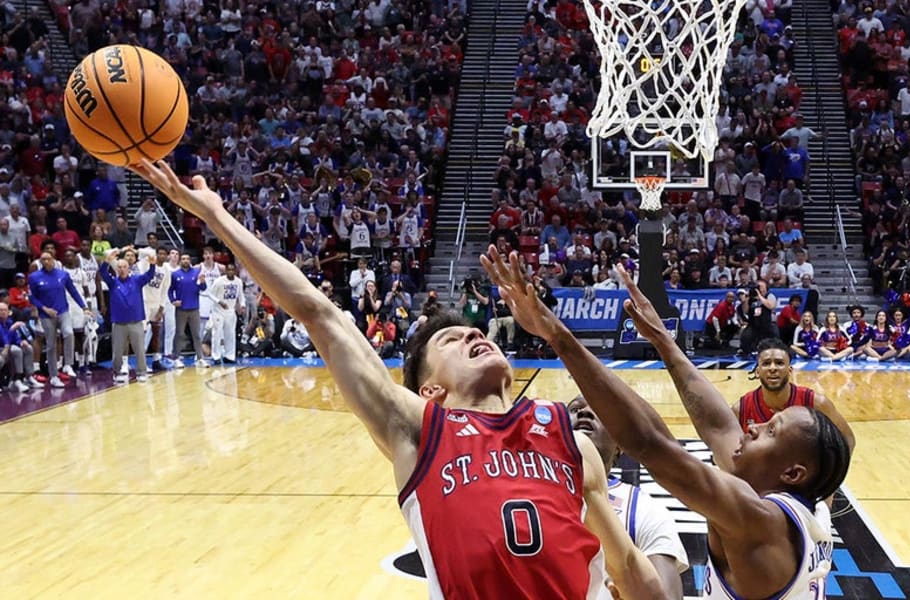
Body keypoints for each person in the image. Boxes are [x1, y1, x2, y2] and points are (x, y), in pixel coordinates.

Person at [129, 160, 664, 600]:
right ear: (429, 390)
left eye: (473, 334)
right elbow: (321, 315)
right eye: (450, 342)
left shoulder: (565, 434)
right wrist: (218, 217)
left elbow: (628, 565)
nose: (472, 338)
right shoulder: (420, 430)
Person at [483, 250, 854, 600]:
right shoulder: (801, 503)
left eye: (770, 431)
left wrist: (556, 334)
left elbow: (650, 443)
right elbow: (717, 425)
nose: (753, 427)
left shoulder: (760, 522)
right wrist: (663, 341)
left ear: (791, 472)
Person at [569, 395, 689, 598]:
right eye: (574, 409)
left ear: (620, 445)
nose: (585, 412)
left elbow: (667, 596)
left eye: (599, 410)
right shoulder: (526, 492)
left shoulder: (644, 508)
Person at [28, 250, 89, 387]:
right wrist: (44, 309)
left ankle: (68, 364)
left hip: (63, 311)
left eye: (48, 259)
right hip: (46, 315)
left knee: (68, 333)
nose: (46, 262)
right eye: (43, 260)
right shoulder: (34, 277)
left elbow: (73, 291)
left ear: (54, 260)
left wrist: (83, 306)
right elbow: (32, 297)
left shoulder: (63, 275)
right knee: (51, 345)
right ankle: (54, 376)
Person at [736, 338, 818, 432]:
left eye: (779, 363)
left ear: (790, 371)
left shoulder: (815, 403)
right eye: (766, 363)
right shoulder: (741, 409)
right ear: (757, 372)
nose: (772, 368)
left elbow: (838, 442)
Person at [99, 249, 156, 383]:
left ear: (128, 268)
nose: (122, 269)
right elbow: (102, 272)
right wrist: (107, 261)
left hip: (136, 321)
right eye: (119, 267)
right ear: (116, 269)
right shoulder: (113, 282)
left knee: (139, 349)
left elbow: (149, 275)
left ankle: (141, 372)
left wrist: (152, 264)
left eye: (124, 267)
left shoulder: (136, 280)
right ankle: (117, 372)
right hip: (119, 322)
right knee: (118, 350)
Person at [169, 253, 209, 367]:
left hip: (194, 308)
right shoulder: (175, 274)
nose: (185, 260)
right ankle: (176, 357)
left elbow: (203, 288)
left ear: (190, 260)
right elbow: (170, 290)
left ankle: (200, 358)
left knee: (196, 334)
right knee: (179, 334)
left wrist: (202, 281)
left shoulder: (196, 273)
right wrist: (173, 300)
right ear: (180, 261)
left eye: (187, 258)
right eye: (183, 259)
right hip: (181, 309)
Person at [206, 261, 245, 365]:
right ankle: (216, 356)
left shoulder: (239, 282)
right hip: (218, 311)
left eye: (233, 270)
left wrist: (242, 305)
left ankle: (230, 355)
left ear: (235, 271)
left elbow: (241, 295)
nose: (231, 271)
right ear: (226, 271)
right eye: (229, 269)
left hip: (231, 311)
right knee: (217, 333)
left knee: (230, 334)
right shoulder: (219, 281)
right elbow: (209, 293)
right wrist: (219, 302)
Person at [0, 301, 41, 392]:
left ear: (8, 312)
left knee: (28, 348)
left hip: (8, 347)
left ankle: (29, 377)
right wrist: (12, 329)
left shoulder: (9, 322)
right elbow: (4, 340)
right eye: (1, 310)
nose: (3, 312)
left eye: (5, 310)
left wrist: (21, 342)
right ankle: (17, 379)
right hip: (2, 348)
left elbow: (15, 338)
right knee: (16, 350)